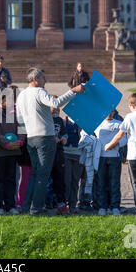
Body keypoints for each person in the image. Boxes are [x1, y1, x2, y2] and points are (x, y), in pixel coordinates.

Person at [16, 68, 85, 215]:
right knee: (42, 175)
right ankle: (36, 209)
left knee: (35, 174)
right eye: (43, 78)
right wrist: (73, 91)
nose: (45, 81)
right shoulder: (39, 92)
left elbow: (20, 119)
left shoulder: (21, 95)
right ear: (35, 79)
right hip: (45, 138)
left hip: (31, 138)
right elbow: (55, 103)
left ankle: (26, 206)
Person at [0, 92, 24, 215]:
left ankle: (10, 205)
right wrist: (6, 144)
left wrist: (20, 141)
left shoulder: (15, 113)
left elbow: (22, 128)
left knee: (11, 179)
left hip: (14, 151)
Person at [94, 110, 127, 216]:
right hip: (101, 157)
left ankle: (115, 206)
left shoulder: (119, 124)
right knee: (101, 182)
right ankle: (102, 207)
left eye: (111, 112)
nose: (109, 114)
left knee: (114, 183)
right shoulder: (97, 124)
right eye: (107, 111)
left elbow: (124, 139)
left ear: (114, 112)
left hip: (114, 157)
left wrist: (116, 144)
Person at [49, 104, 69, 215]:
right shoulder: (45, 118)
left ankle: (61, 204)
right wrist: (51, 138)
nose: (56, 110)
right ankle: (46, 202)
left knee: (60, 179)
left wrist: (64, 138)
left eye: (57, 108)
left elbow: (64, 133)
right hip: (48, 152)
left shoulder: (60, 120)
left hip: (59, 152)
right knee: (46, 180)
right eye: (53, 108)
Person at [63, 116, 84, 214]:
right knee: (67, 180)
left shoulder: (82, 123)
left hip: (78, 154)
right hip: (66, 153)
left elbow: (85, 138)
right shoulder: (64, 121)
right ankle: (64, 204)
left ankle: (73, 205)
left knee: (75, 181)